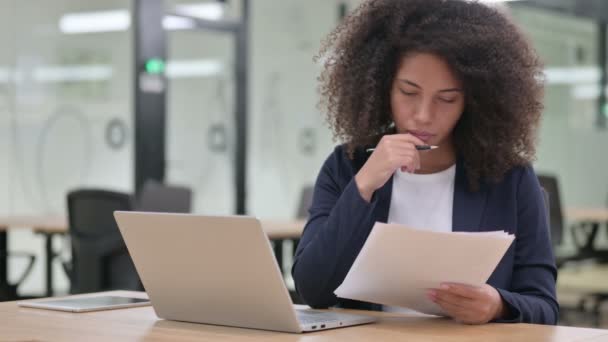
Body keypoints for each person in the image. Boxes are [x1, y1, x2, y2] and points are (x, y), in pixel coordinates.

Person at [291, 0, 558, 325]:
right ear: (381, 86)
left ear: (473, 101)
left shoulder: (509, 178)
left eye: (447, 99)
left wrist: (498, 305)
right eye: (408, 92)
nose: (423, 115)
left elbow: (544, 307)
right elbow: (312, 290)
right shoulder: (346, 166)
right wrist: (363, 185)